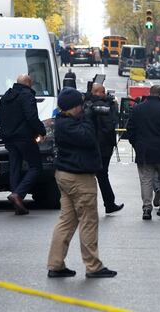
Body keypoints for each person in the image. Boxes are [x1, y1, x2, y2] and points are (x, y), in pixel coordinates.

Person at [47, 87, 117, 279]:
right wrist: (88, 115)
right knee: (88, 221)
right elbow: (88, 137)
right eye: (80, 105)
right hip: (79, 178)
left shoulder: (62, 121)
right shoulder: (70, 125)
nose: (82, 108)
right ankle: (93, 266)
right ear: (73, 107)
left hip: (66, 176)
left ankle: (56, 264)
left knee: (66, 221)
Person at [127, 85, 160, 220]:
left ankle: (146, 208)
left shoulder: (138, 108)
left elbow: (130, 130)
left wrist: (137, 145)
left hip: (144, 151)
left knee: (146, 179)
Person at [0, 74, 47, 215]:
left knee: (15, 167)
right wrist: (41, 131)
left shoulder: (5, 97)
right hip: (24, 138)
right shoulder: (27, 95)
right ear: (28, 82)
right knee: (35, 167)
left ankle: (16, 200)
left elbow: (0, 117)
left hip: (9, 138)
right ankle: (18, 194)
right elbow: (31, 116)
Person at [84, 84, 123, 215]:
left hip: (91, 145)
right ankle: (109, 203)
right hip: (103, 145)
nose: (105, 93)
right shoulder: (106, 105)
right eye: (103, 91)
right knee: (101, 174)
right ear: (98, 92)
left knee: (92, 175)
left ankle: (106, 203)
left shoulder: (86, 103)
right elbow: (110, 124)